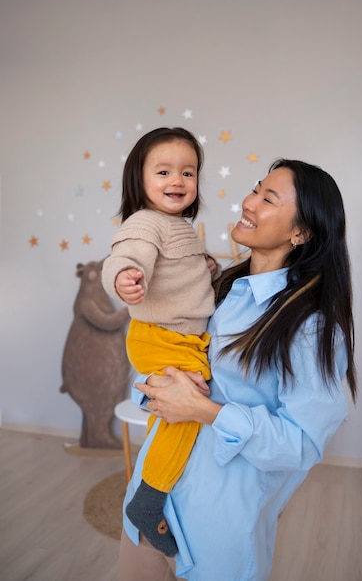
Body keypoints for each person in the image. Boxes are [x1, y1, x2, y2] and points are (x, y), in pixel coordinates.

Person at [115, 157, 357, 581]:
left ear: (301, 232)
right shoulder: (218, 290)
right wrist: (156, 386)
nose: (249, 202)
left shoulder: (310, 326)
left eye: (268, 198)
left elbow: (301, 444)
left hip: (216, 532)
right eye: (256, 188)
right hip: (148, 503)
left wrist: (204, 411)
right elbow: (163, 356)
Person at [102, 127, 219, 557]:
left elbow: (181, 274)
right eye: (164, 171)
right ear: (140, 179)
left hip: (176, 335)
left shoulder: (179, 226)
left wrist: (205, 266)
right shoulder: (145, 223)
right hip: (161, 336)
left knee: (176, 413)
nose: (178, 181)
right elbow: (125, 255)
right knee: (189, 407)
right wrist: (124, 276)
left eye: (188, 173)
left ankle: (157, 474)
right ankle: (148, 499)